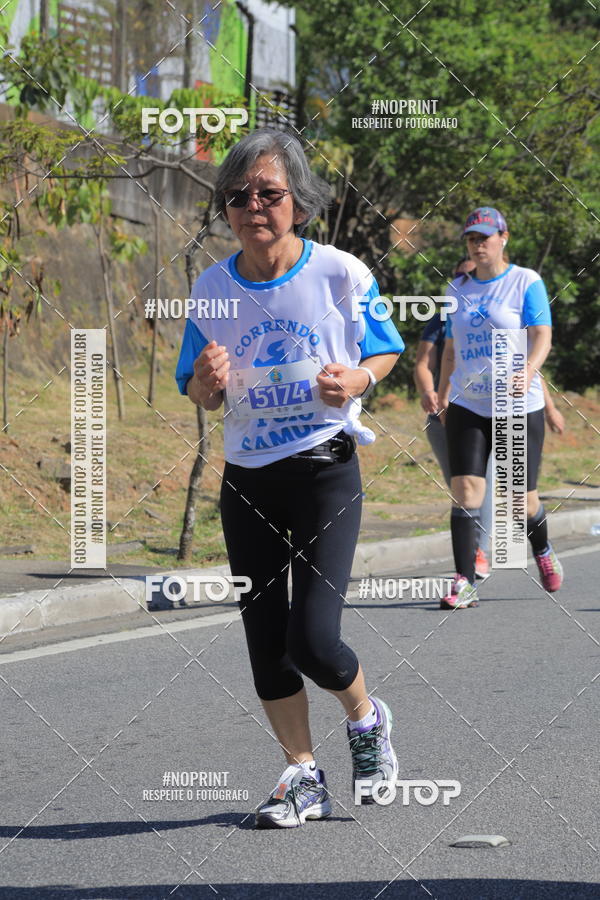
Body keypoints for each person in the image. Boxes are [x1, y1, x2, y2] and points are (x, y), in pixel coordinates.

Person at [175, 127, 404, 827]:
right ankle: (302, 774)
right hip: (248, 481)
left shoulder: (338, 273)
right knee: (265, 642)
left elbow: (385, 348)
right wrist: (206, 385)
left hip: (324, 473)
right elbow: (195, 385)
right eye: (238, 196)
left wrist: (359, 376)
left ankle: (366, 718)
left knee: (312, 639)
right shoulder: (213, 286)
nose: (253, 207)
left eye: (269, 194)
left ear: (297, 205)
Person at [437, 206, 564, 609]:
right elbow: (451, 349)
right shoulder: (456, 290)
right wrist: (442, 394)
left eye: (484, 238)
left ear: (503, 238)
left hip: (516, 405)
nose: (477, 245)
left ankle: (541, 549)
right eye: (471, 239)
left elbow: (542, 334)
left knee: (519, 498)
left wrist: (528, 371)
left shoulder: (526, 281)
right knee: (466, 490)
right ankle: (463, 580)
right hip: (467, 402)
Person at [414, 258, 493, 579]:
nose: (466, 280)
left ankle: (479, 554)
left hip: (482, 412)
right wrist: (428, 391)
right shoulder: (442, 317)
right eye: (460, 275)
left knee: (479, 485)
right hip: (443, 417)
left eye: (472, 275)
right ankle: (473, 552)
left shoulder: (493, 317)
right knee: (459, 488)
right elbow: (422, 362)